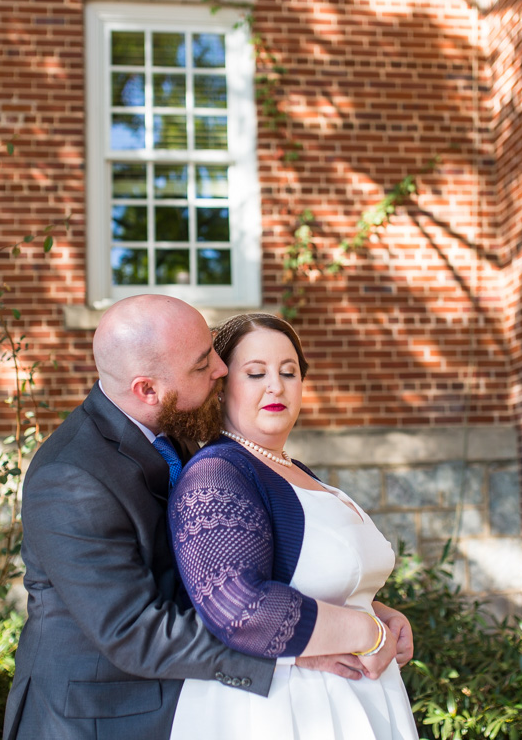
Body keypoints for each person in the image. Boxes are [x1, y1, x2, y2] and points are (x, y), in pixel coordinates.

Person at [3, 296, 364, 740]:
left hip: (192, 703)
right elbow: (133, 631)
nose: (220, 368)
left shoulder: (182, 428)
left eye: (213, 348)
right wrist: (286, 647)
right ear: (147, 390)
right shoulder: (71, 476)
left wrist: (355, 601)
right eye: (201, 364)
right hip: (98, 717)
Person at [167, 313, 419, 740]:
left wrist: (375, 610)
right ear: (222, 386)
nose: (276, 386)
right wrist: (367, 631)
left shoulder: (291, 469)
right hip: (281, 712)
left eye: (289, 371)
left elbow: (307, 580)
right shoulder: (217, 474)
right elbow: (239, 608)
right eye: (255, 373)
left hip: (356, 698)